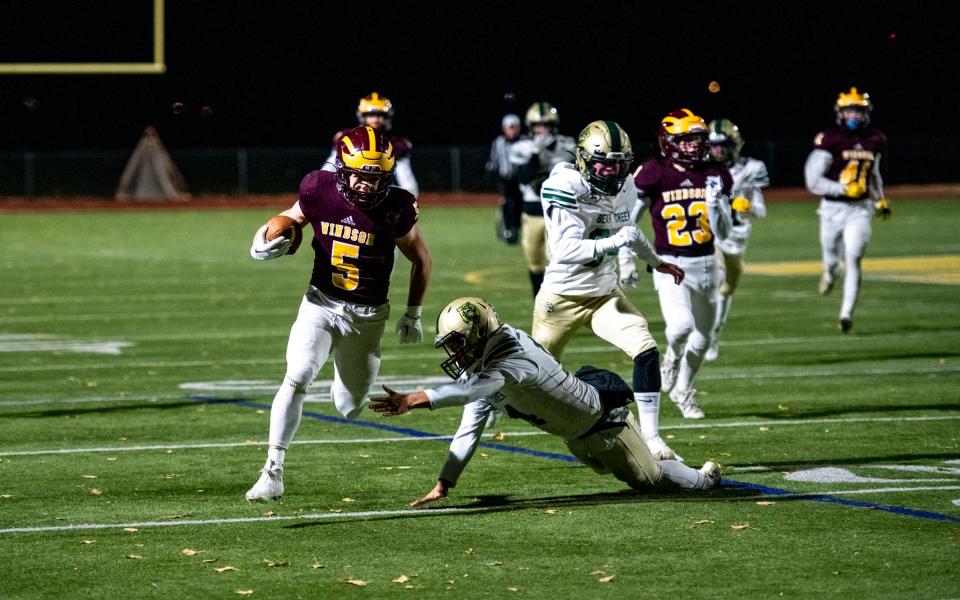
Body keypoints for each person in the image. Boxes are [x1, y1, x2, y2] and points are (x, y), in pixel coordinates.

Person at [370, 297, 722, 507]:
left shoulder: (510, 356)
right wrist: (445, 482)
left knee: (650, 481)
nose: (456, 352)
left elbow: (470, 391)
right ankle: (652, 451)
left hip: (603, 422)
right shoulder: (485, 366)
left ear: (480, 334)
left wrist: (418, 398)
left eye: (460, 343)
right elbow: (469, 425)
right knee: (608, 468)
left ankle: (706, 478)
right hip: (575, 433)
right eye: (452, 345)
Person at [245, 125, 432, 501]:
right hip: (321, 302)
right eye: (360, 175)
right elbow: (290, 219)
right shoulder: (319, 188)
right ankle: (273, 470)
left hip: (367, 316)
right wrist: (262, 240)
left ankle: (342, 377)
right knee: (296, 375)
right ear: (343, 170)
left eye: (375, 177)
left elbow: (421, 260)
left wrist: (413, 313)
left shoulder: (396, 207)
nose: (367, 184)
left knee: (349, 407)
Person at [532, 120, 686, 460]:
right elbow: (564, 250)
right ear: (585, 159)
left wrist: (656, 261)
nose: (611, 169)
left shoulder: (625, 186)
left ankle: (653, 438)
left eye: (618, 163)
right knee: (534, 382)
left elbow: (627, 231)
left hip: (604, 294)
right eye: (603, 162)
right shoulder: (563, 184)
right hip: (561, 297)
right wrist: (616, 242)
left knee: (646, 349)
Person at [630, 108, 733, 420]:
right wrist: (625, 258)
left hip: (707, 262)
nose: (692, 145)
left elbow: (724, 232)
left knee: (704, 335)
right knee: (681, 327)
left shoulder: (716, 173)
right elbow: (628, 221)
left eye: (696, 139)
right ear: (667, 141)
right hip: (670, 263)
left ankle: (683, 389)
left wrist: (716, 206)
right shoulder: (654, 172)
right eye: (684, 139)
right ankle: (672, 358)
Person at [804, 87, 891, 333]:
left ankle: (846, 313)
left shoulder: (876, 139)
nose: (854, 115)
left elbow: (874, 175)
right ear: (841, 112)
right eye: (850, 110)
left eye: (858, 110)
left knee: (853, 258)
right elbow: (812, 180)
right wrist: (843, 189)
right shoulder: (830, 139)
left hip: (860, 209)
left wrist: (880, 200)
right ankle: (830, 276)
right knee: (832, 260)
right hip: (831, 209)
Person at [703, 119, 770, 361]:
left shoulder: (751, 168)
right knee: (715, 283)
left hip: (737, 238)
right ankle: (706, 335)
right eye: (713, 146)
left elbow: (761, 211)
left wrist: (748, 206)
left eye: (722, 145)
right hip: (710, 237)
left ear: (734, 145)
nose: (717, 151)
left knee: (727, 290)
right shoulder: (702, 168)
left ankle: (715, 332)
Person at [509, 101, 577, 298]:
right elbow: (525, 177)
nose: (542, 130)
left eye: (546, 125)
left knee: (556, 260)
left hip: (558, 211)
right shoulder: (524, 147)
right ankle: (539, 302)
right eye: (538, 125)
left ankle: (560, 302)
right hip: (532, 212)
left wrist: (551, 149)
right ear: (531, 127)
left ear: (553, 126)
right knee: (535, 262)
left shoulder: (566, 144)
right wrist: (537, 152)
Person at [321, 92, 419, 197]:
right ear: (362, 116)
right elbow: (327, 171)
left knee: (410, 193)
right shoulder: (347, 138)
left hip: (378, 191)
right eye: (371, 115)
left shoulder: (397, 143)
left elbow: (409, 186)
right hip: (350, 188)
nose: (375, 119)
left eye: (380, 115)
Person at [485, 113, 526, 244]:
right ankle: (508, 229)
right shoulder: (499, 142)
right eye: (510, 127)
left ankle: (517, 229)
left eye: (515, 127)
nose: (513, 131)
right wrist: (490, 172)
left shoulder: (524, 141)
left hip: (520, 178)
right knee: (507, 204)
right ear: (504, 128)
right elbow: (494, 160)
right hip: (505, 179)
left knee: (519, 204)